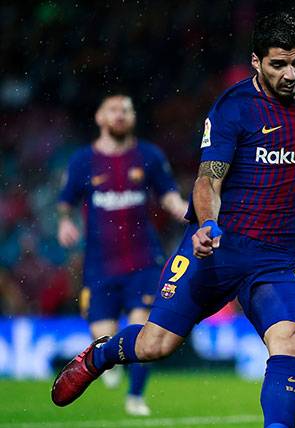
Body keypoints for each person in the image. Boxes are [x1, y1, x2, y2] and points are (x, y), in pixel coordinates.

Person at [51, 14, 295, 428]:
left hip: (278, 256)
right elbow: (209, 179)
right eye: (278, 64)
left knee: (291, 341)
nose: (290, 73)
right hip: (218, 246)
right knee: (154, 344)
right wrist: (205, 224)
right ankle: (100, 355)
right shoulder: (233, 107)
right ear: (257, 62)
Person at [57, 94, 188, 416]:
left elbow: (169, 196)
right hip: (100, 265)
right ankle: (107, 359)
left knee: (143, 332)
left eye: (126, 110)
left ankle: (135, 397)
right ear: (100, 117)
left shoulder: (148, 155)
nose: (120, 115)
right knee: (102, 335)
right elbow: (66, 201)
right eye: (113, 110)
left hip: (144, 261)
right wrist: (64, 222)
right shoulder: (82, 161)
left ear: (133, 118)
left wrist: (190, 212)